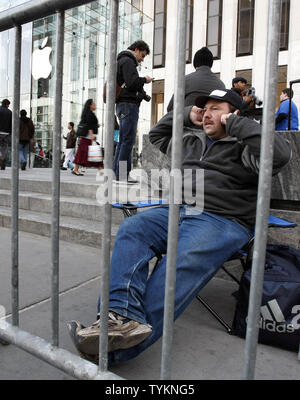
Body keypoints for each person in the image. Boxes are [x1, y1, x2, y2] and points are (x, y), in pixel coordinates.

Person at [66, 89, 291, 365]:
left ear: (234, 114)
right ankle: (119, 318)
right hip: (180, 210)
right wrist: (186, 114)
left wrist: (236, 125)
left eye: (215, 108)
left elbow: (280, 155)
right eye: (203, 108)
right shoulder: (191, 143)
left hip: (223, 219)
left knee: (175, 264)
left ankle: (110, 353)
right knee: (133, 228)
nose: (207, 113)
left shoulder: (245, 148)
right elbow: (158, 135)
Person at [113, 40, 153, 183]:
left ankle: (117, 172)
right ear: (136, 49)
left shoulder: (122, 60)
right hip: (128, 105)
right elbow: (132, 83)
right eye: (142, 55)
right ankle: (123, 175)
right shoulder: (128, 61)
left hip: (123, 105)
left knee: (123, 140)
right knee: (128, 140)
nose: (142, 60)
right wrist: (145, 80)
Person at [167, 47, 225, 112]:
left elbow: (170, 108)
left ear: (195, 64)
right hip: (211, 121)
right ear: (211, 64)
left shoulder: (185, 80)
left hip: (187, 121)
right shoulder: (221, 85)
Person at [73, 99, 103, 176]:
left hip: (87, 137)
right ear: (90, 105)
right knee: (90, 153)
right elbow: (89, 126)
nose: (95, 105)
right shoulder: (90, 114)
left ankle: (76, 169)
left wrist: (96, 126)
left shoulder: (88, 113)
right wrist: (92, 135)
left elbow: (90, 125)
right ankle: (101, 170)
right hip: (88, 137)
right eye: (94, 104)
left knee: (87, 153)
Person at [0, 99, 12, 170]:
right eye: (8, 104)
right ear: (7, 104)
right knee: (4, 147)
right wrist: (10, 132)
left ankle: (0, 158)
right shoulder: (10, 112)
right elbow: (11, 124)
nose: (8, 106)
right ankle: (2, 158)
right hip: (6, 133)